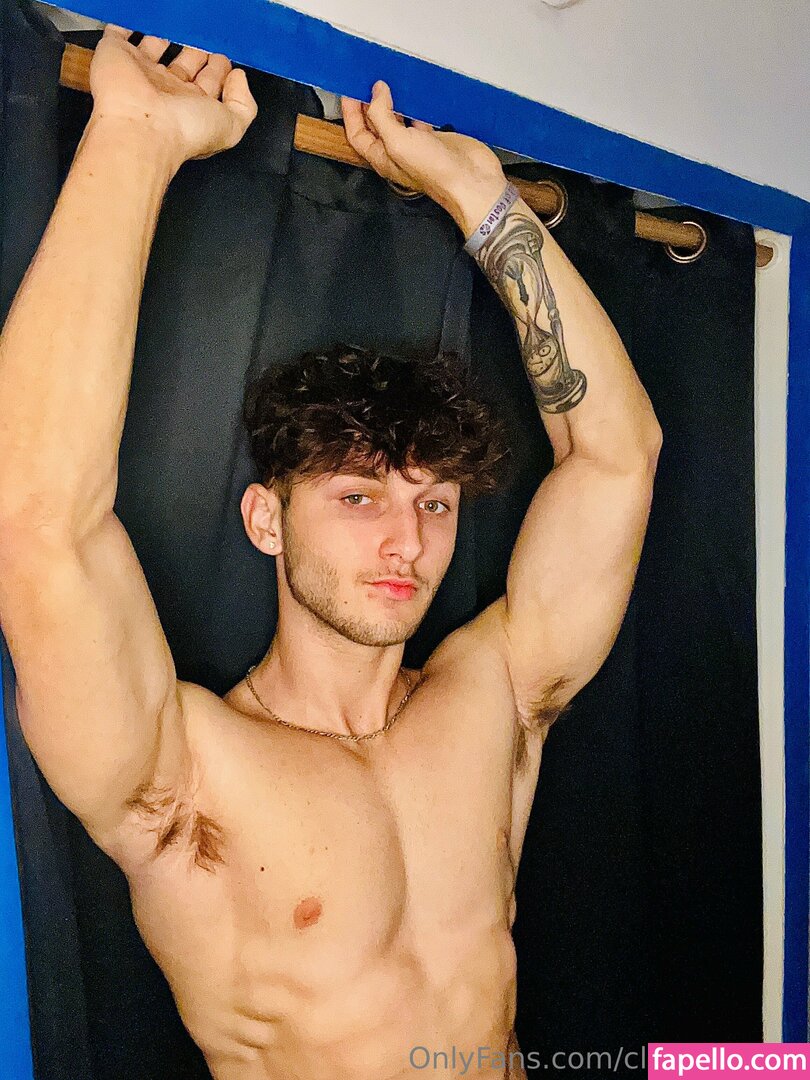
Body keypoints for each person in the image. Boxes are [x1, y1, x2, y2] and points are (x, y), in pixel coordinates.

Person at [0, 24, 662, 1080]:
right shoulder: (187, 777)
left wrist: (480, 198)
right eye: (358, 497)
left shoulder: (492, 700)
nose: (408, 540)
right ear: (266, 519)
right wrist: (132, 138)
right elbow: (39, 524)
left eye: (435, 503)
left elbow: (617, 458)